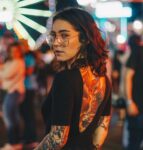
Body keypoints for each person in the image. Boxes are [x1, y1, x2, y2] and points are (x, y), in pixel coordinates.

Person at [35, 7, 111, 150]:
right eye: (53, 35)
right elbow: (102, 128)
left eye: (64, 35)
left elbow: (57, 139)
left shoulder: (65, 79)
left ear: (85, 38)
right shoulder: (103, 78)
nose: (56, 43)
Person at [124, 34, 143, 150]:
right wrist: (129, 102)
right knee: (134, 144)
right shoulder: (139, 51)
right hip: (139, 108)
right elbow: (127, 77)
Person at [0, 42, 25, 150]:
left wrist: (1, 69)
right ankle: (16, 142)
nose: (14, 53)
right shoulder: (12, 61)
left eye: (16, 51)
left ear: (19, 51)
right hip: (12, 91)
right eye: (12, 51)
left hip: (14, 91)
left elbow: (5, 75)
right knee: (13, 117)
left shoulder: (18, 62)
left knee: (9, 117)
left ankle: (13, 143)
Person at [19, 39, 38, 148]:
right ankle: (27, 137)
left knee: (29, 114)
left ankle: (32, 138)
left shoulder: (30, 57)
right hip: (22, 88)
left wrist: (15, 70)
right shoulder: (21, 57)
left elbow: (29, 71)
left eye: (21, 46)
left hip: (29, 88)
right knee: (24, 114)